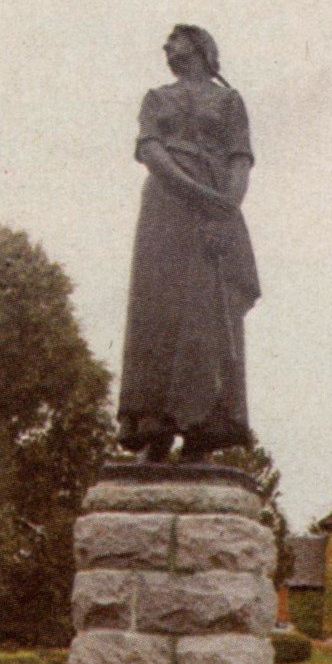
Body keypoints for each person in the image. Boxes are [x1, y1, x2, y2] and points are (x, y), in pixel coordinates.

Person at [117, 24, 259, 461]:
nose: (166, 46)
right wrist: (201, 196)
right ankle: (153, 429)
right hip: (167, 211)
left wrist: (223, 211)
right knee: (155, 312)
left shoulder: (229, 102)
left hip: (215, 214)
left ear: (198, 47)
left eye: (174, 40)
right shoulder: (156, 99)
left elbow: (240, 162)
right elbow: (152, 152)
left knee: (208, 318)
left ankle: (205, 430)